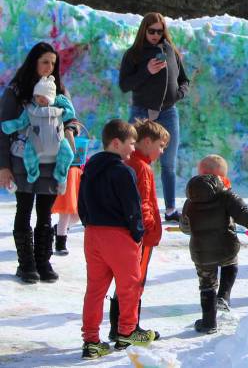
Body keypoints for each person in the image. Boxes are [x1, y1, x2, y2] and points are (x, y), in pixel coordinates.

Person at [0, 43, 84, 284]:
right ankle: (26, 264)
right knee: (24, 209)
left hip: (52, 161)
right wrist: (3, 166)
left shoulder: (59, 91)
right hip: (23, 161)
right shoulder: (17, 91)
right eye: (45, 62)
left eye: (53, 63)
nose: (49, 67)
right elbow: (3, 129)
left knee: (45, 212)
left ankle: (43, 261)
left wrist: (70, 130)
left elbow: (72, 118)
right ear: (34, 62)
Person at [79, 119, 157, 359]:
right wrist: (137, 233)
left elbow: (81, 204)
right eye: (131, 143)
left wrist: (89, 223)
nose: (133, 148)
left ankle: (91, 341)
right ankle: (127, 332)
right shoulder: (124, 171)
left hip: (93, 234)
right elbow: (132, 207)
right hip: (119, 236)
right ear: (116, 143)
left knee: (95, 289)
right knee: (129, 286)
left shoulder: (89, 168)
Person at [181, 155, 248, 333]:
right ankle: (223, 296)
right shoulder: (227, 196)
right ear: (221, 177)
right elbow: (242, 212)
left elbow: (185, 226)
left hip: (201, 252)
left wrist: (192, 228)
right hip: (226, 246)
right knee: (230, 263)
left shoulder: (190, 201)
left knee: (206, 285)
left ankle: (209, 323)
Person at [118, 13, 191, 223]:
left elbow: (184, 80)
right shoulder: (133, 54)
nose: (156, 35)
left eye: (160, 31)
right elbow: (124, 84)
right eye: (152, 31)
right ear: (144, 30)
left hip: (168, 111)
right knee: (133, 160)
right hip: (141, 113)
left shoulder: (171, 51)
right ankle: (130, 207)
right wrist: (146, 70)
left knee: (168, 163)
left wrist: (179, 94)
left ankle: (170, 209)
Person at [109, 120, 168, 341]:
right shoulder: (141, 167)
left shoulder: (128, 162)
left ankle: (119, 328)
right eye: (161, 146)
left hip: (124, 232)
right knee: (135, 282)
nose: (162, 152)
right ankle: (129, 328)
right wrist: (148, 229)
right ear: (147, 142)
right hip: (141, 236)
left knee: (124, 281)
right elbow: (143, 203)